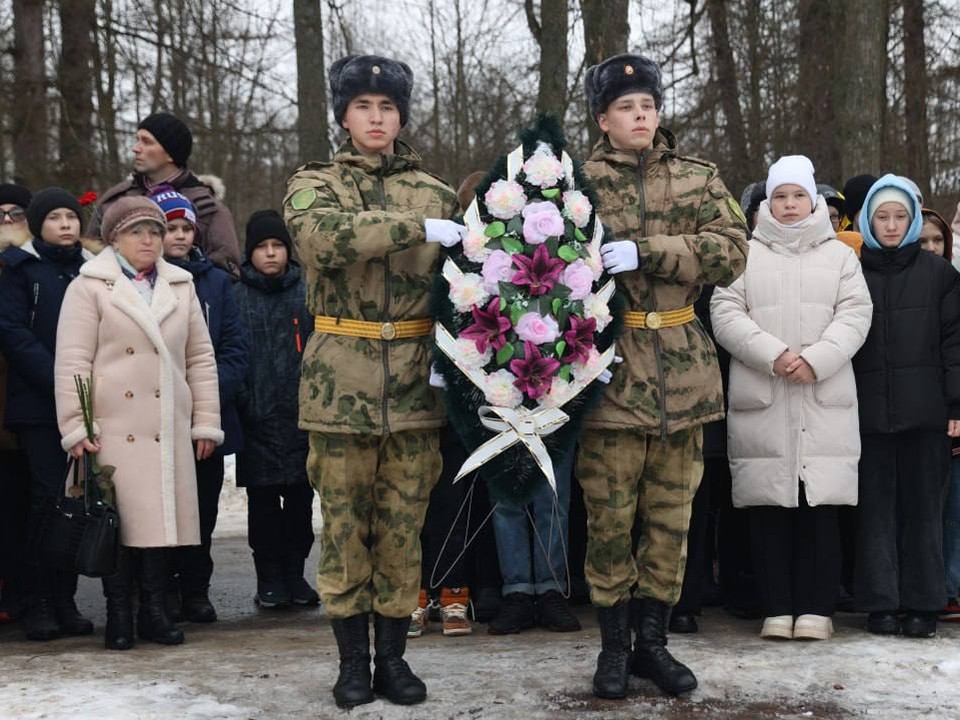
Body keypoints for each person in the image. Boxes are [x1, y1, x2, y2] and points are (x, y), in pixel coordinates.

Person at [283, 54, 460, 708]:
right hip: (340, 387)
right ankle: (351, 662)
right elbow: (319, 240)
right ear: (344, 116)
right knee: (346, 529)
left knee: (401, 529)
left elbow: (466, 291)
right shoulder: (315, 183)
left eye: (388, 108)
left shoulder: (439, 193)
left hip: (416, 388)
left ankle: (394, 658)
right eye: (364, 107)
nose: (377, 118)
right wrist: (416, 229)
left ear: (402, 116)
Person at [578, 54, 749, 699]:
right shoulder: (574, 184)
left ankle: (654, 644)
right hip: (609, 374)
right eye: (626, 107)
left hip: (683, 369)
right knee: (610, 521)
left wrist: (652, 252)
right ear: (603, 118)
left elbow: (733, 250)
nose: (641, 114)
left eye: (648, 104)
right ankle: (613, 649)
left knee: (671, 522)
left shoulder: (699, 178)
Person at [711, 155, 872, 641]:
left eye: (797, 195)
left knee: (819, 510)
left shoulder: (840, 256)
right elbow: (725, 310)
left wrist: (817, 359)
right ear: (766, 203)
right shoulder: (745, 253)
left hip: (822, 396)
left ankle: (817, 610)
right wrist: (775, 354)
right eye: (779, 196)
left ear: (814, 201)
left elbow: (856, 315)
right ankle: (777, 608)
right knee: (770, 509)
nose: (788, 204)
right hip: (765, 396)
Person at [54, 196, 223, 650]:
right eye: (137, 232)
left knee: (158, 524)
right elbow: (73, 360)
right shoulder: (89, 286)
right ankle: (119, 615)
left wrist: (205, 422)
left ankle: (153, 610)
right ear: (113, 238)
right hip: (111, 427)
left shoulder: (180, 285)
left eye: (155, 231)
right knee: (118, 523)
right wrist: (76, 426)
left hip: (167, 424)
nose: (149, 240)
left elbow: (200, 359)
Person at [852, 174, 960, 638]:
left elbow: (955, 343)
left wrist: (956, 405)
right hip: (865, 413)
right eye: (882, 216)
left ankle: (923, 604)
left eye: (900, 216)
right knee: (875, 512)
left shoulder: (940, 274)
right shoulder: (851, 269)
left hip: (927, 414)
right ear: (868, 220)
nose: (891, 225)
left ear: (913, 219)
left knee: (923, 512)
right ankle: (881, 603)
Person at [0, 187, 96, 641]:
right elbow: (13, 332)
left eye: (71, 217)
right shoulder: (20, 270)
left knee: (75, 502)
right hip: (39, 406)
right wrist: (58, 379)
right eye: (54, 217)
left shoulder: (93, 271)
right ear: (37, 225)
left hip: (89, 404)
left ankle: (66, 598)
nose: (65, 224)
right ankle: (38, 599)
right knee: (44, 501)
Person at [153, 187, 247, 623]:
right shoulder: (140, 282)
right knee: (158, 509)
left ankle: (195, 588)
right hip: (154, 418)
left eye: (186, 228)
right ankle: (159, 590)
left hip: (204, 419)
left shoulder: (215, 283)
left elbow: (233, 349)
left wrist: (203, 400)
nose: (179, 236)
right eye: (169, 227)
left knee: (202, 509)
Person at [234, 210, 318, 610]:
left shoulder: (306, 291)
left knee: (301, 502)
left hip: (302, 417)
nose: (270, 254)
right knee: (263, 504)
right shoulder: (236, 295)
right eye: (262, 248)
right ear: (249, 253)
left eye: (277, 246)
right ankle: (268, 576)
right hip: (257, 419)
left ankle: (296, 574)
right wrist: (246, 402)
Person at [92, 112, 241, 277]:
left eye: (147, 142)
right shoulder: (115, 200)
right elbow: (90, 256)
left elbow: (227, 275)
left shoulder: (208, 208)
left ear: (171, 154)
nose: (136, 148)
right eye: (137, 139)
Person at [0, 182, 33, 621]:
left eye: (16, 213)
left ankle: (23, 592)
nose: (7, 221)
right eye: (0, 212)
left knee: (22, 505)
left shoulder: (36, 267)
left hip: (27, 402)